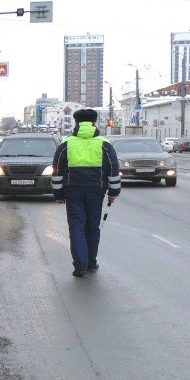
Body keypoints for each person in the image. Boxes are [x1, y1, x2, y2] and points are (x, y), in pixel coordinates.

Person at [51, 108, 121, 277]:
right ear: (94, 123)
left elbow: (57, 170)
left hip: (73, 191)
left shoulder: (66, 144)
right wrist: (114, 192)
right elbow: (113, 169)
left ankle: (80, 264)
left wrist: (58, 194)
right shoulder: (105, 144)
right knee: (92, 227)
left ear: (76, 123)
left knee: (76, 226)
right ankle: (91, 262)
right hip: (97, 192)